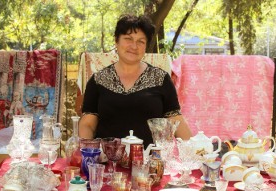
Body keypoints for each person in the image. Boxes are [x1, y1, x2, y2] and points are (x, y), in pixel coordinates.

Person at [79, 14, 192, 147]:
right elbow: (88, 124)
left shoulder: (161, 79)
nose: (134, 46)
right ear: (116, 41)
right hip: (107, 163)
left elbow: (175, 120)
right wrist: (87, 151)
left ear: (146, 46)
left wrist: (197, 151)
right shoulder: (98, 80)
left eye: (141, 41)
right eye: (128, 39)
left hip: (150, 162)